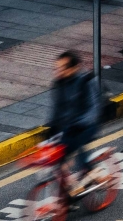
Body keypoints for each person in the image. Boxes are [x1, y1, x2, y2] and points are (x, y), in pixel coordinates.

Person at [47, 51, 101, 186]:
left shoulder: (86, 81)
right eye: (57, 68)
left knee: (77, 143)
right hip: (70, 126)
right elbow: (57, 109)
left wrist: (80, 124)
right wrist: (51, 128)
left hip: (89, 124)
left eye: (63, 68)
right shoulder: (59, 84)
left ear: (74, 68)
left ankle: (90, 171)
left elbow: (94, 108)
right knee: (59, 153)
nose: (59, 71)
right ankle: (70, 188)